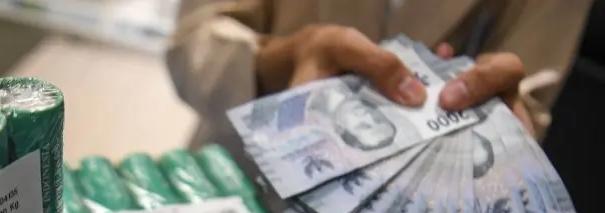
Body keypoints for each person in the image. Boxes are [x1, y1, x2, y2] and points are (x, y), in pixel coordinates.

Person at [167, 0, 593, 153]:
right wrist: (278, 61)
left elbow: (529, 101)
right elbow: (192, 47)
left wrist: (505, 133)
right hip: (240, 173)